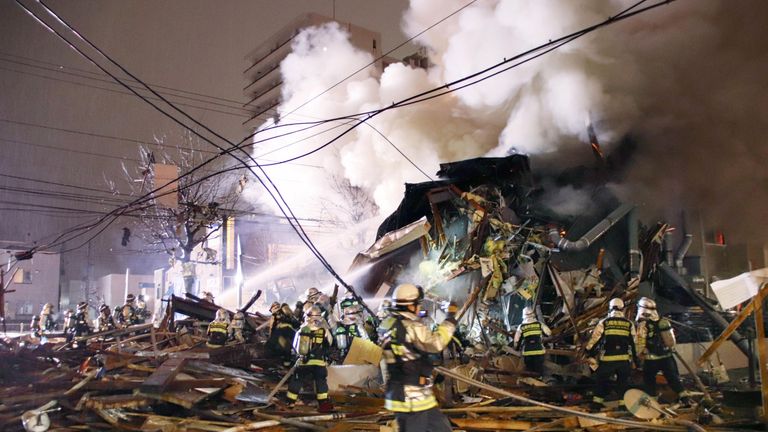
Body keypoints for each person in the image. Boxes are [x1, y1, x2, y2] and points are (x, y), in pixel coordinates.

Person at [378, 283, 457, 431]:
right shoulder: (412, 327)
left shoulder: (387, 324)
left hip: (416, 394)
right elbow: (436, 343)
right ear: (409, 305)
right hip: (411, 398)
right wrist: (450, 319)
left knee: (442, 428)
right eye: (417, 304)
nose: (420, 308)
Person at [585, 298, 637, 412]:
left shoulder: (604, 322)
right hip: (624, 361)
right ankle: (623, 406)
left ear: (610, 308)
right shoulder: (629, 324)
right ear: (622, 308)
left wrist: (589, 351)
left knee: (601, 381)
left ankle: (597, 405)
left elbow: (595, 339)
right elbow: (634, 343)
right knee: (623, 383)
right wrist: (635, 360)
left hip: (608, 360)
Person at [636, 297, 691, 405]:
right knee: (673, 379)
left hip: (651, 360)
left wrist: (638, 355)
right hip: (667, 357)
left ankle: (652, 404)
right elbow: (671, 342)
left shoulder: (642, 324)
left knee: (649, 381)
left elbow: (640, 342)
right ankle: (685, 399)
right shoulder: (663, 322)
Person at [286, 305, 334, 412]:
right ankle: (323, 404)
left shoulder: (302, 330)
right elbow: (329, 344)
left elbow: (295, 346)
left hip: (303, 362)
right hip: (319, 363)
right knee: (321, 382)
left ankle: (290, 403)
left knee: (297, 380)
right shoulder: (324, 331)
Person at [513, 306, 551, 377]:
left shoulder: (521, 326)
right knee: (539, 368)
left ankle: (532, 382)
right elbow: (549, 332)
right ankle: (539, 381)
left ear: (523, 316)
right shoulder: (539, 324)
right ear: (533, 314)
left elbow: (516, 340)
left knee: (530, 369)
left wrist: (516, 348)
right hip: (539, 350)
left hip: (528, 352)